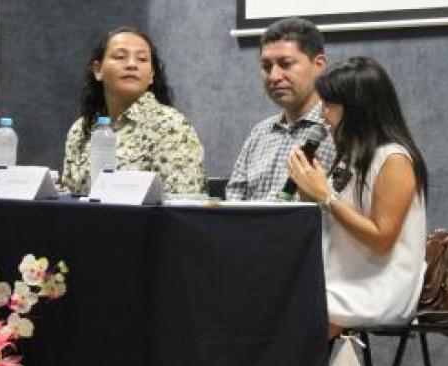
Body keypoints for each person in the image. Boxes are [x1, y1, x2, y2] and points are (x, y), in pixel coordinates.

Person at [286, 57, 428, 338]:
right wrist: (307, 191)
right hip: (342, 277)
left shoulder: (393, 159)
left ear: (357, 109)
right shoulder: (351, 155)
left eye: (329, 105)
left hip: (378, 285)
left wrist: (325, 197)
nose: (322, 115)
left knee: (292, 316)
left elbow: (381, 239)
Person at [61, 26, 206, 195]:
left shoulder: (170, 125)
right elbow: (68, 199)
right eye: (120, 57)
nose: (131, 65)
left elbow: (181, 202)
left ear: (152, 74)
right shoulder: (81, 130)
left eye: (142, 59)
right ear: (98, 70)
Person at [226, 17, 336, 201]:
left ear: (319, 65)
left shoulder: (339, 132)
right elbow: (234, 197)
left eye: (286, 64)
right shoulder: (260, 133)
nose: (274, 76)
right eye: (266, 67)